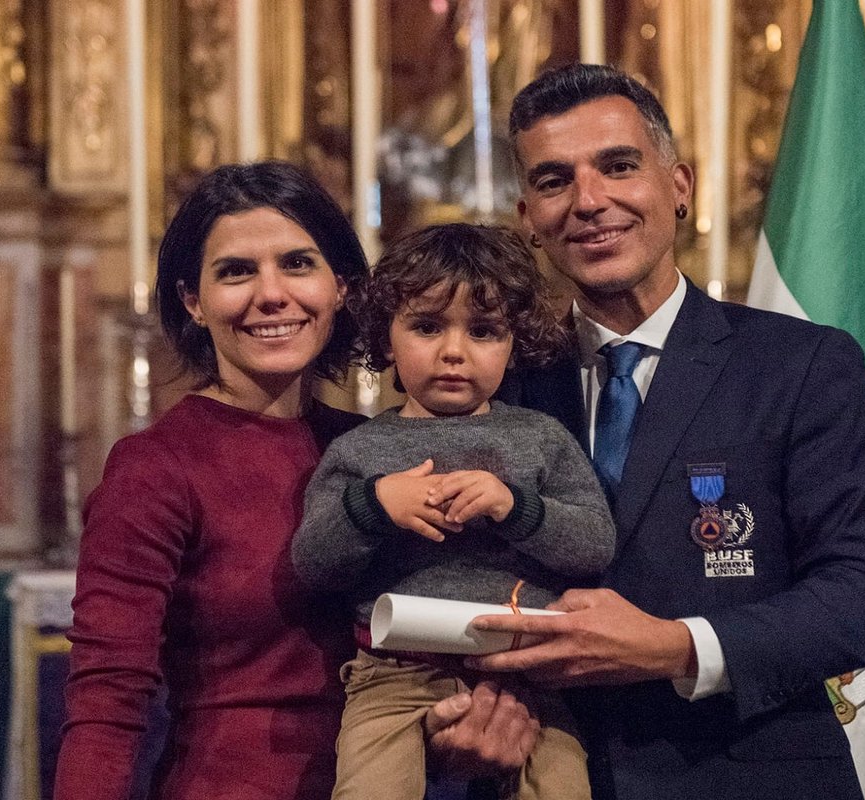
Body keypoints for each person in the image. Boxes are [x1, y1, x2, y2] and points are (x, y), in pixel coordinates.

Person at [432, 65, 865, 799]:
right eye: (556, 179)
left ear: (679, 186)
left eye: (619, 166)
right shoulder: (497, 381)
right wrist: (452, 724)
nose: (590, 201)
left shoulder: (800, 365)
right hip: (538, 777)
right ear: (527, 216)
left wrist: (675, 646)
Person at [53, 162, 534, 800]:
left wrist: (458, 728)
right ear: (193, 301)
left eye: (298, 264)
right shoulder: (156, 468)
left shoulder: (379, 450)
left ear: (341, 287)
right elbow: (107, 701)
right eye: (236, 271)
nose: (272, 294)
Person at [291, 224, 617, 800]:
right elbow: (313, 565)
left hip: (529, 670)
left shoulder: (540, 438)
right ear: (386, 339)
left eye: (485, 331)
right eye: (426, 326)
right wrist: (374, 506)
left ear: (516, 341)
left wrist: (515, 507)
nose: (453, 351)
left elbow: (594, 543)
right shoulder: (359, 451)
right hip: (394, 674)